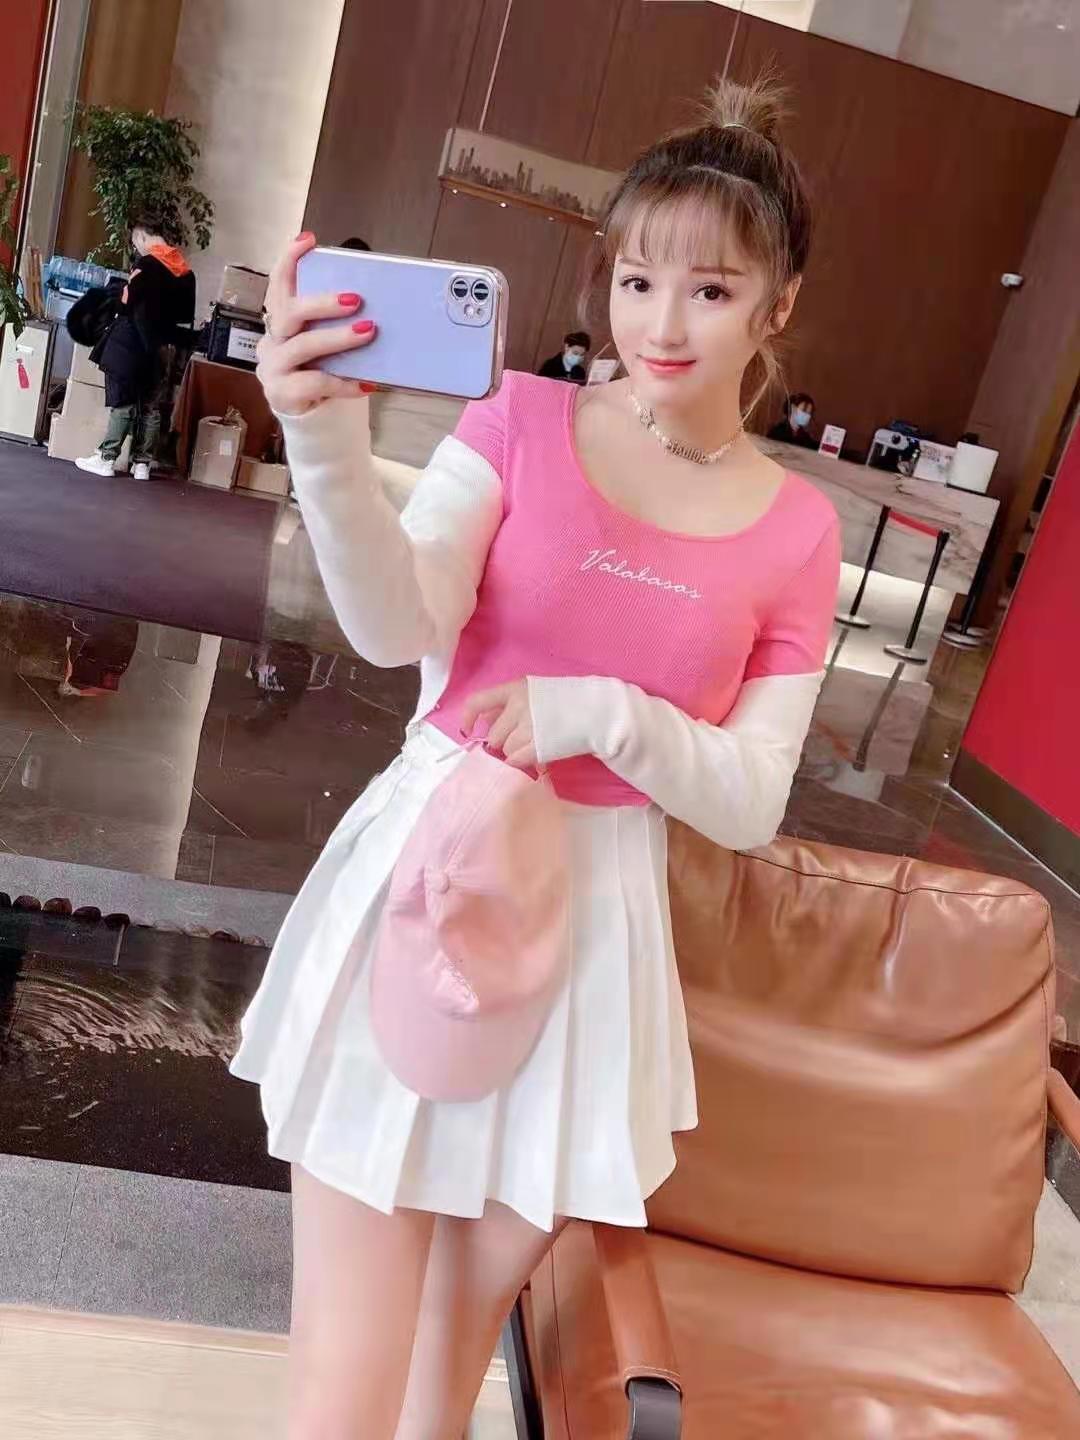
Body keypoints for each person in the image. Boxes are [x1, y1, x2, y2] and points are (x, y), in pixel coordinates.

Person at [235, 74, 839, 1440]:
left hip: (594, 932)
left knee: (444, 1377)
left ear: (778, 306)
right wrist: (326, 444)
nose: (661, 324)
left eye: (711, 290)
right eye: (636, 280)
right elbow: (400, 622)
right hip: (430, 875)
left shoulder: (799, 531)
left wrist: (600, 715)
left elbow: (749, 799)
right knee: (344, 1389)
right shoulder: (518, 417)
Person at [76, 216, 196, 481]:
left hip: (135, 342)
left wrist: (119, 296)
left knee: (124, 400)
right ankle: (142, 464)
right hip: (165, 346)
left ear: (142, 236)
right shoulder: (185, 272)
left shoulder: (147, 264)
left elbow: (126, 303)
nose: (136, 248)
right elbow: (186, 315)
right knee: (152, 404)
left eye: (135, 243)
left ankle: (106, 458)